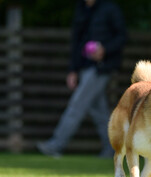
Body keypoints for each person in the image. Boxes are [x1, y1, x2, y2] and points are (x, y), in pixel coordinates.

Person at [37, 0, 127, 158]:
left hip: (101, 67)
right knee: (100, 113)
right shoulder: (81, 9)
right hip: (84, 67)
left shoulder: (110, 8)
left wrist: (105, 50)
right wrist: (73, 70)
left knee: (76, 106)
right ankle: (113, 148)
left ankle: (56, 145)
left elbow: (122, 36)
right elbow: (76, 42)